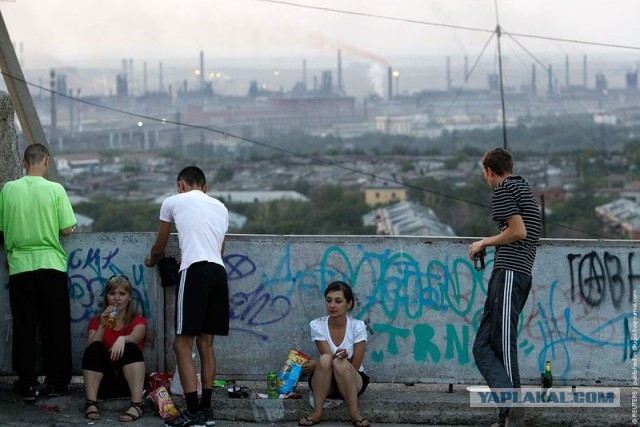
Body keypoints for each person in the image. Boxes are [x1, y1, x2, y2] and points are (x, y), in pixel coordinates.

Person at [145, 166, 229, 427]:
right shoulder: (221, 207)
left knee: (181, 344)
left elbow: (160, 245)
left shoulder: (172, 202)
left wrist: (151, 260)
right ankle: (206, 410)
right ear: (205, 187)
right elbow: (220, 247)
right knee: (206, 344)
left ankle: (192, 411)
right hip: (218, 271)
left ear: (180, 184)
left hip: (194, 271)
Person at [468, 147, 541, 427]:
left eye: (483, 172)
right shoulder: (522, 188)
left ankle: (511, 414)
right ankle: (508, 407)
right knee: (482, 346)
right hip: (514, 274)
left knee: (502, 343)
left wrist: (484, 242)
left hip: (511, 273)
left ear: (489, 170)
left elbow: (518, 231)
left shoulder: (502, 190)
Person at [0, 143, 76, 401]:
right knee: (55, 326)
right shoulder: (55, 189)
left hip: (20, 267)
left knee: (24, 326)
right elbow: (67, 229)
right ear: (46, 161)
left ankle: (27, 382)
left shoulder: (8, 190)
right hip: (51, 265)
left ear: (23, 163)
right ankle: (57, 382)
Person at [299, 281, 371, 427]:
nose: (332, 305)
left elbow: (355, 365)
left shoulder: (357, 326)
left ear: (348, 304)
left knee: (339, 362)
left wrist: (317, 364)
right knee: (325, 359)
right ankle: (317, 412)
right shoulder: (317, 325)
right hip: (327, 383)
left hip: (352, 380)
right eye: (329, 300)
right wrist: (320, 363)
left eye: (338, 301)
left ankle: (354, 413)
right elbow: (327, 360)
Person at [82, 274, 147, 422]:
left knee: (130, 346)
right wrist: (103, 325)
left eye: (122, 294)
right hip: (103, 382)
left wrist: (123, 338)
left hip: (128, 383)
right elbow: (90, 351)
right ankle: (90, 403)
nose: (117, 298)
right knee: (95, 347)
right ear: (107, 297)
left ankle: (137, 405)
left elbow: (136, 337)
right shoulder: (97, 321)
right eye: (112, 294)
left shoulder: (138, 321)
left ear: (129, 297)